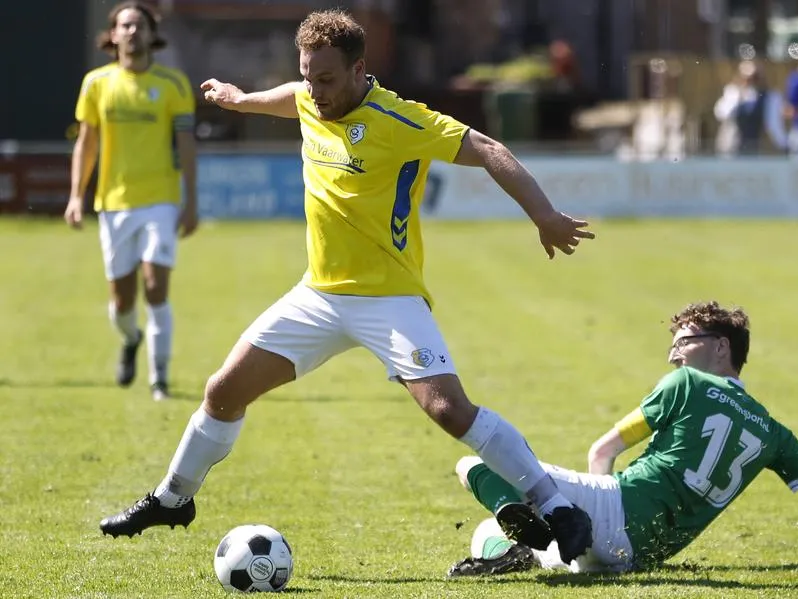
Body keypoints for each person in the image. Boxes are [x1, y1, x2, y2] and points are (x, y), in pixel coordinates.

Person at [98, 9, 595, 565]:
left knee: (449, 410)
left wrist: (544, 215)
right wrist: (241, 100)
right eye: (309, 75)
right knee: (222, 391)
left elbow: (488, 149)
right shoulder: (312, 96)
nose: (315, 90)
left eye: (327, 79)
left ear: (360, 69)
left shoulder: (401, 120)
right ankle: (173, 498)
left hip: (389, 299)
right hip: (318, 296)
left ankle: (557, 507)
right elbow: (290, 96)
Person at [447, 301, 798, 576]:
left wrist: (590, 513)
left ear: (721, 346)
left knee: (474, 467)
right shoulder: (773, 433)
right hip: (635, 557)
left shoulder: (686, 385)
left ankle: (545, 530)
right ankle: (528, 546)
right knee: (495, 533)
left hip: (611, 510)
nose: (673, 355)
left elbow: (602, 451)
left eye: (683, 341)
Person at [65, 1, 198, 401]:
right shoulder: (96, 84)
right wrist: (76, 195)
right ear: (113, 34)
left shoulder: (173, 84)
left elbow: (186, 145)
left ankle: (159, 380)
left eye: (139, 24)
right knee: (122, 302)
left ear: (151, 33)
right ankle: (131, 337)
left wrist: (190, 201)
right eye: (125, 25)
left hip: (160, 200)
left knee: (156, 288)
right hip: (114, 204)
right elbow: (86, 144)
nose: (132, 31)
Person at [713, 60, 788, 156]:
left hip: (755, 149)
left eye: (754, 77)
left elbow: (774, 126)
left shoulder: (769, 98)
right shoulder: (732, 92)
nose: (749, 81)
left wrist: (784, 145)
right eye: (745, 78)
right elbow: (721, 114)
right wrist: (737, 98)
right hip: (730, 147)